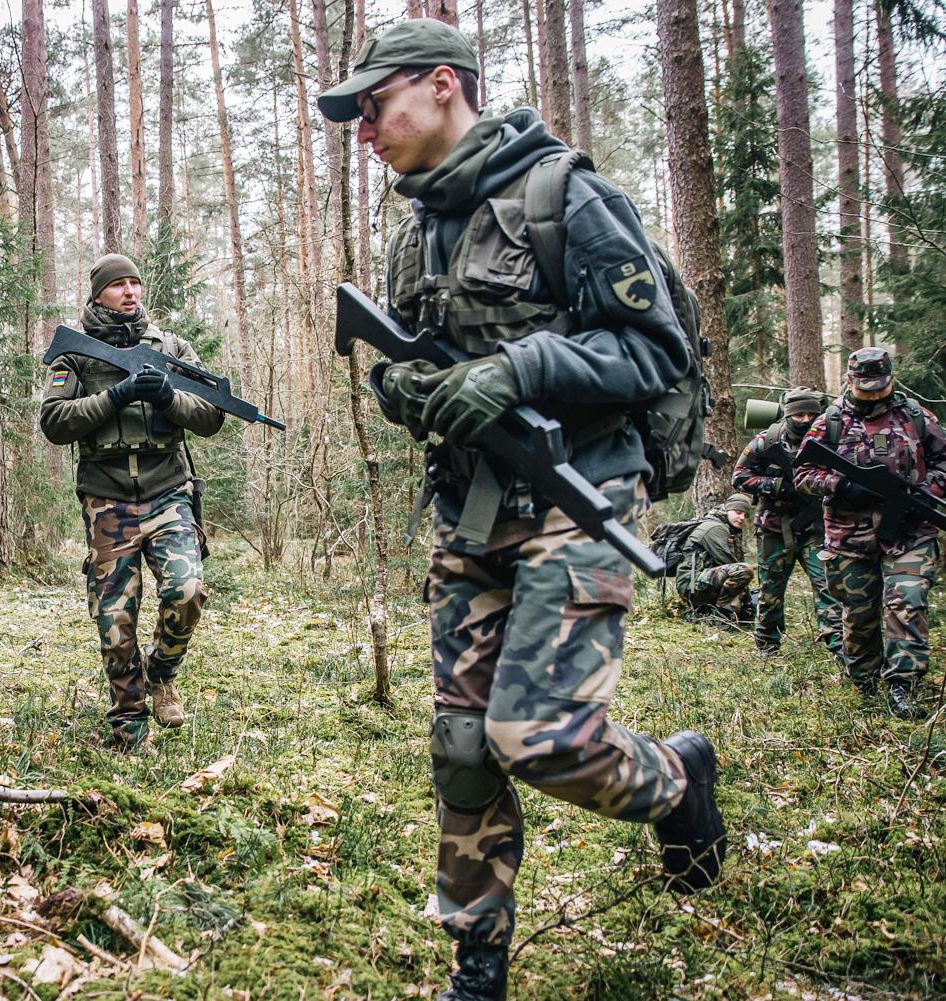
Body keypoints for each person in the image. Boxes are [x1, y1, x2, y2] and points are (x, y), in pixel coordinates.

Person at [317, 19, 724, 1001]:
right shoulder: (418, 226)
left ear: (444, 85)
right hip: (471, 508)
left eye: (375, 105)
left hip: (576, 501)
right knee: (463, 743)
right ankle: (478, 957)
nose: (363, 128)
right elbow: (412, 359)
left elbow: (654, 351)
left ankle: (677, 779)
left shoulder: (566, 197)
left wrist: (519, 368)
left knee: (539, 735)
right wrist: (407, 392)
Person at [39, 254, 224, 748]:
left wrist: (168, 397)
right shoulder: (75, 352)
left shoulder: (170, 346)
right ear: (98, 293)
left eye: (135, 283)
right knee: (115, 620)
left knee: (187, 591)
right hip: (108, 500)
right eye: (118, 284)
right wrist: (117, 395)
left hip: (169, 492)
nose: (130, 291)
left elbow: (212, 415)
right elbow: (55, 423)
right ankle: (129, 720)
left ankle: (161, 673)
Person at [794, 347, 946, 720]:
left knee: (906, 601)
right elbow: (802, 475)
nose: (874, 394)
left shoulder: (917, 417)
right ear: (850, 381)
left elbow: (944, 462)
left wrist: (927, 490)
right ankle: (864, 679)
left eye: (880, 387)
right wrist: (841, 486)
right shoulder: (830, 422)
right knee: (859, 614)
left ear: (891, 379)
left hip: (911, 532)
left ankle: (902, 684)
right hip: (850, 536)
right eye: (866, 388)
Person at [731, 388, 842, 656]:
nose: (805, 420)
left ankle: (839, 644)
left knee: (827, 585)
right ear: (788, 414)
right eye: (799, 414)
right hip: (773, 527)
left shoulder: (830, 439)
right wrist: (775, 485)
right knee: (771, 590)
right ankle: (767, 644)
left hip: (816, 527)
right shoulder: (767, 440)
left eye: (811, 414)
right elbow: (739, 477)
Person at [674, 494, 756, 625]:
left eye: (745, 515)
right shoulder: (715, 528)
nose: (742, 518)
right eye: (738, 512)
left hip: (696, 583)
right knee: (744, 570)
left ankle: (707, 612)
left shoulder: (720, 526)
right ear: (727, 510)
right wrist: (748, 604)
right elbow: (729, 564)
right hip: (691, 585)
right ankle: (721, 617)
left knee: (740, 572)